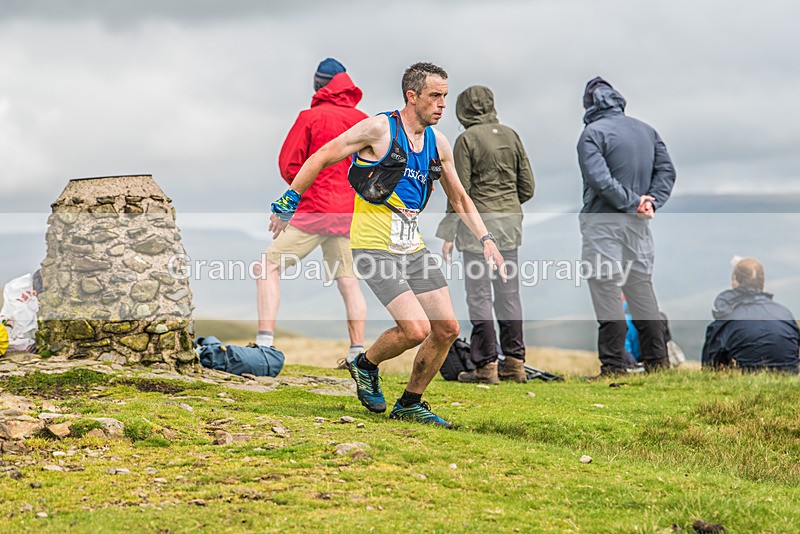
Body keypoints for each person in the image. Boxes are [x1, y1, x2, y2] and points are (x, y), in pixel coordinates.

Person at [269, 62, 507, 428]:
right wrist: (289, 201)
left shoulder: (437, 143)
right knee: (414, 329)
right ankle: (364, 365)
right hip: (372, 246)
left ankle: (411, 401)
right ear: (412, 96)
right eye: (434, 96)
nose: (443, 104)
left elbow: (459, 198)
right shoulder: (379, 128)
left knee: (446, 328)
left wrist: (486, 240)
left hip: (411, 247)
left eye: (445, 96)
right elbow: (321, 155)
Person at [255, 58, 367, 363]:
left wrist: (300, 194)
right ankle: (358, 350)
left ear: (320, 84)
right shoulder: (363, 120)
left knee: (267, 267)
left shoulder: (310, 118)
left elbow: (289, 164)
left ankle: (265, 342)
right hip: (349, 215)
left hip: (314, 211)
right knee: (348, 281)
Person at [435, 85, 535, 384]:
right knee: (509, 294)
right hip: (510, 228)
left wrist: (449, 233)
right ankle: (515, 363)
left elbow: (458, 191)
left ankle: (486, 365)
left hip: (476, 232)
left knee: (479, 296)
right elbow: (527, 188)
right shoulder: (511, 135)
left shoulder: (466, 140)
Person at [577, 76, 677, 375]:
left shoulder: (591, 134)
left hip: (602, 224)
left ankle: (613, 366)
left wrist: (633, 202)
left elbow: (599, 179)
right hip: (638, 226)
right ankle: (658, 364)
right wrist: (650, 202)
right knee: (641, 289)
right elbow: (667, 172)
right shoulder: (647, 131)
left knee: (606, 288)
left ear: (589, 104)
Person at [702, 258, 799, 373]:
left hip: (744, 383)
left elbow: (710, 368)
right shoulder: (785, 313)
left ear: (735, 281)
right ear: (762, 283)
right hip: (788, 381)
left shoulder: (727, 319)